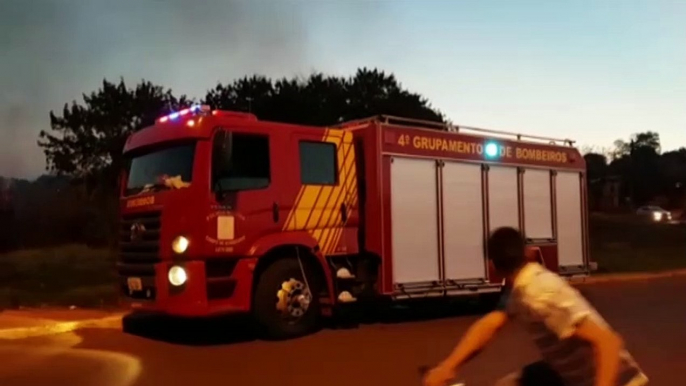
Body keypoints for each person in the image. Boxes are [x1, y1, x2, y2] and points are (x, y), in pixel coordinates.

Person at [423, 227, 648, 386]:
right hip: (573, 375)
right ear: (528, 254)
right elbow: (490, 324)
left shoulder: (537, 294)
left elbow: (608, 342)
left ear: (491, 266)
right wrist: (448, 366)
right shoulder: (521, 288)